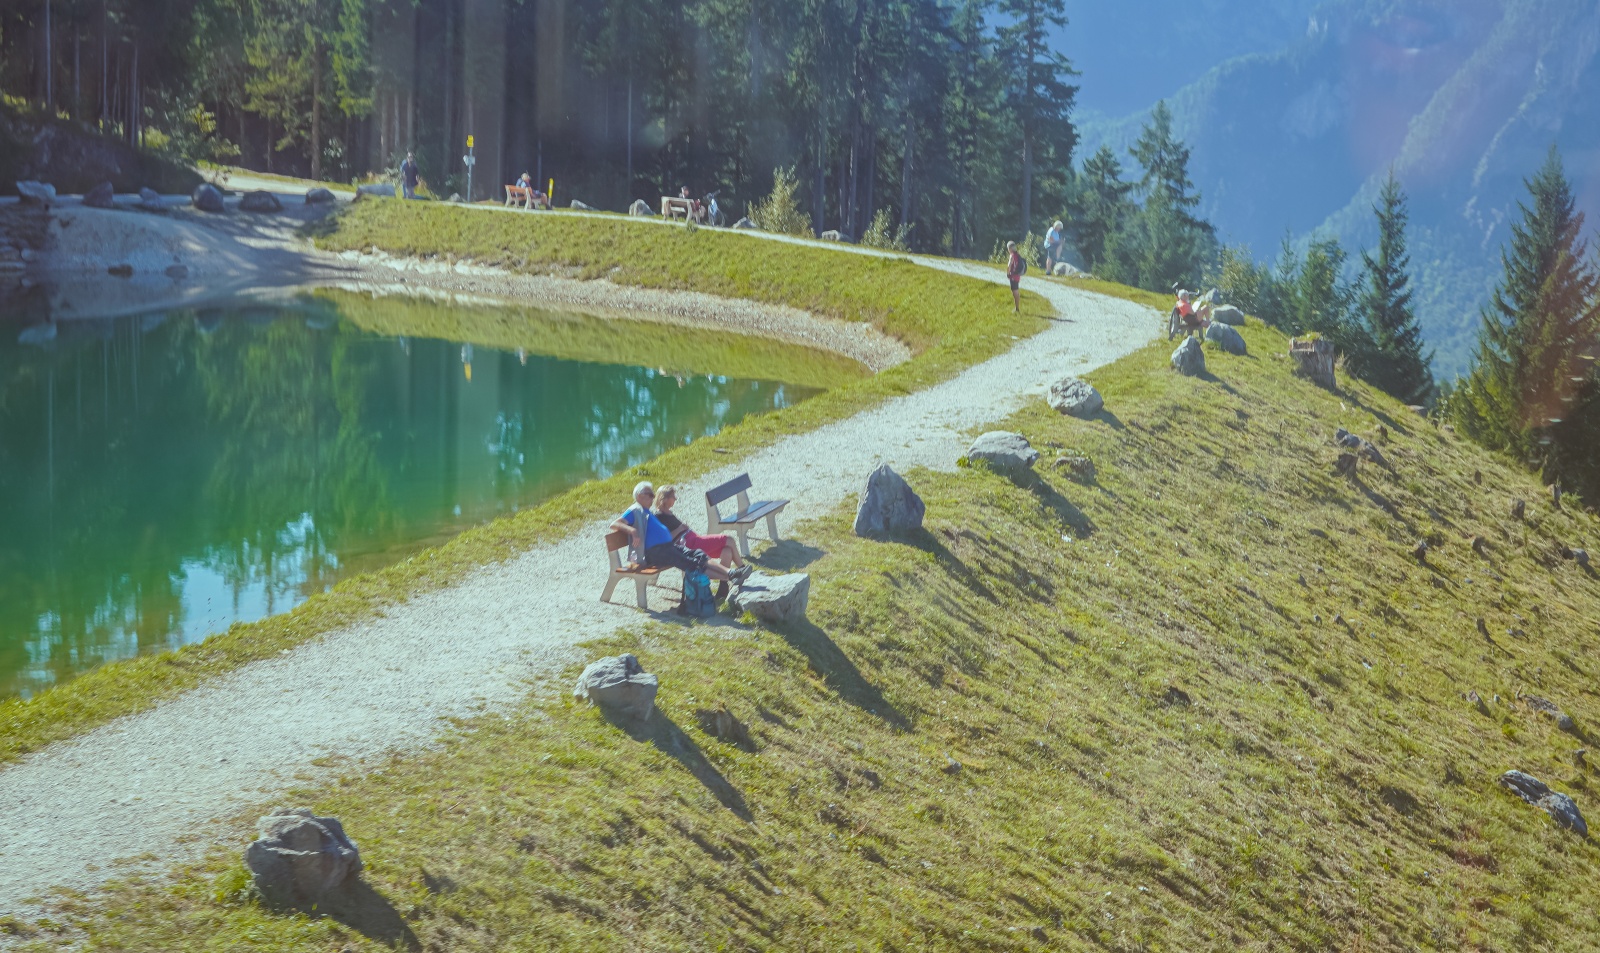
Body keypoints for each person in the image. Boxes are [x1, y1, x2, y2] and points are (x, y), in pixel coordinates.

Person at [610, 482, 749, 588]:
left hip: (668, 547)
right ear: (639, 496)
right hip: (657, 552)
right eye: (650, 495)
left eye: (653, 495)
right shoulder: (634, 509)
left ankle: (730, 573)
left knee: (699, 555)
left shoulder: (646, 511)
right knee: (693, 564)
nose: (653, 498)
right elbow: (615, 523)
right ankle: (730, 576)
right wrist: (632, 531)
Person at [653, 485, 746, 598]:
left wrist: (683, 528)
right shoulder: (658, 516)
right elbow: (665, 539)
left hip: (694, 539)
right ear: (665, 498)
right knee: (728, 539)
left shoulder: (668, 512)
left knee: (726, 551)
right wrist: (680, 529)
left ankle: (723, 587)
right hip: (690, 544)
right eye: (673, 496)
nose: (675, 499)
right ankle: (742, 569)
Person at [1005, 240, 1024, 313]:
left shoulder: (1012, 255)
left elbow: (1009, 265)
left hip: (1013, 276)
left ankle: (1017, 309)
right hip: (1017, 275)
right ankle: (1017, 308)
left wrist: (1008, 273)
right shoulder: (1017, 255)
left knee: (1015, 292)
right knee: (1015, 291)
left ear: (1009, 248)